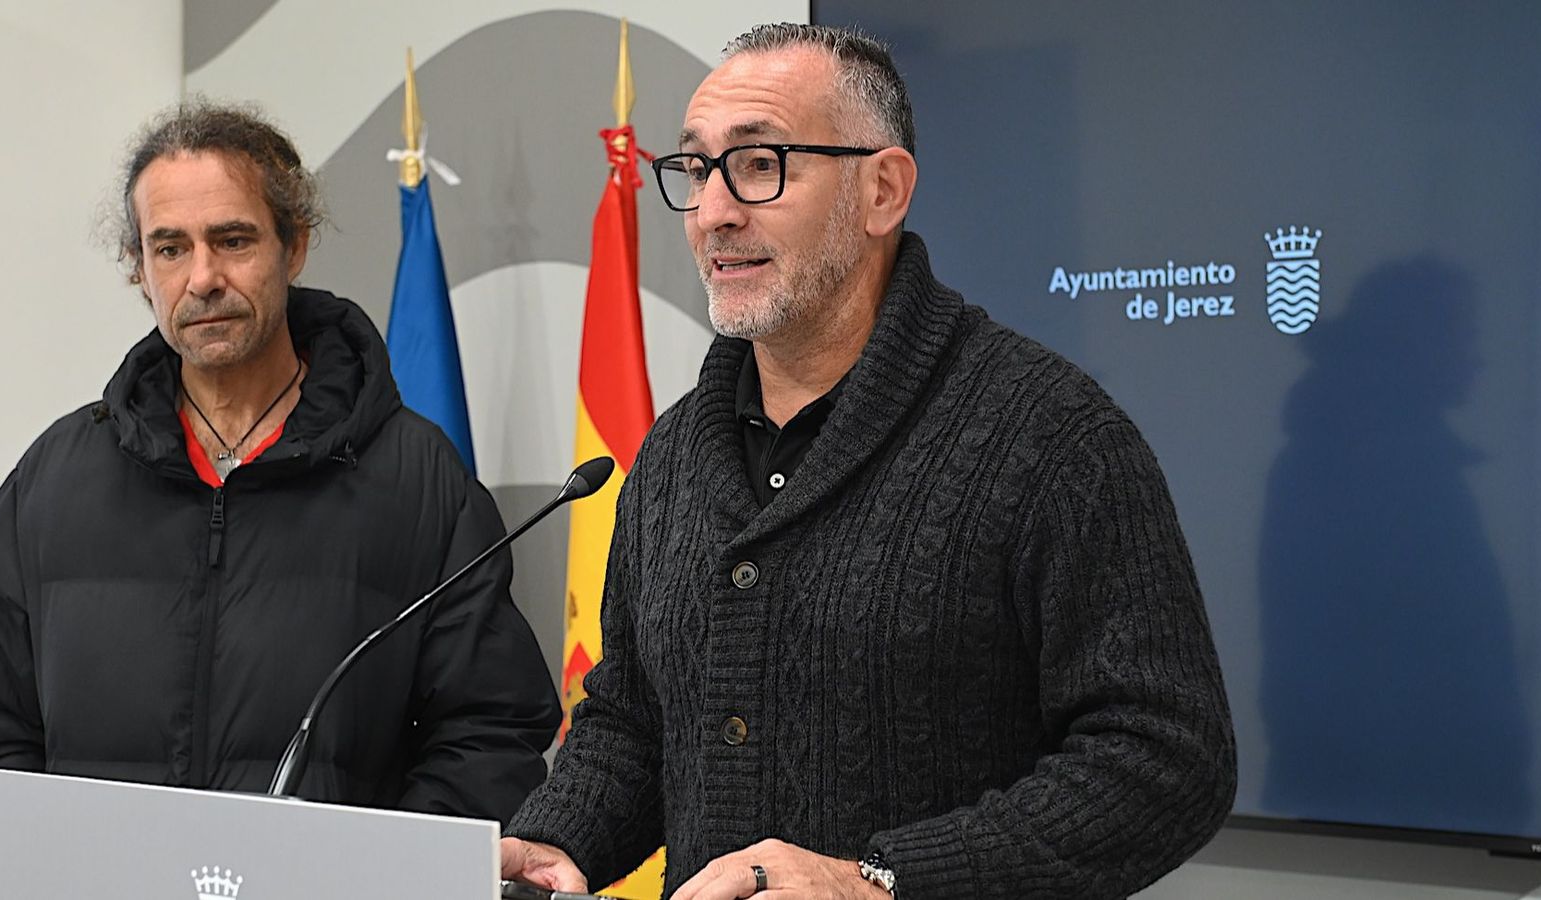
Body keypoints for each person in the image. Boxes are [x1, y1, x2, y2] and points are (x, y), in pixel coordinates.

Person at [501, 23, 1236, 899]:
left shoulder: (1052, 438)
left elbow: (1167, 760)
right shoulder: (668, 455)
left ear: (882, 190)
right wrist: (557, 838)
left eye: (761, 162)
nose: (713, 212)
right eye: (696, 168)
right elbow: (635, 717)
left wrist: (881, 881)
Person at [0, 102, 561, 892]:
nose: (202, 278)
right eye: (169, 248)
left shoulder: (418, 478)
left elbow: (490, 732)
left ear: (293, 245)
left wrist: (383, 881)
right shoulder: (54, 480)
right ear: (140, 270)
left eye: (232, 240)